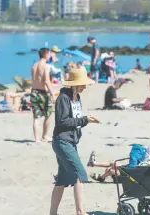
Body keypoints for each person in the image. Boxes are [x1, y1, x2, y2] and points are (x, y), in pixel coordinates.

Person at [49, 69, 100, 215]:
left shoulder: (76, 97)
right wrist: (85, 119)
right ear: (75, 84)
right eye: (83, 84)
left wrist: (87, 121)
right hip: (62, 141)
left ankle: (52, 213)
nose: (85, 86)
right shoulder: (63, 98)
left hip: (70, 142)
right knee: (80, 174)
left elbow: (74, 121)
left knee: (62, 181)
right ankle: (80, 211)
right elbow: (62, 121)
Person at [30, 48, 57, 142]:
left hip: (34, 92)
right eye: (49, 54)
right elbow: (46, 81)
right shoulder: (45, 66)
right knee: (48, 114)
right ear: (46, 55)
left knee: (36, 117)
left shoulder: (34, 65)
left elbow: (34, 79)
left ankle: (37, 139)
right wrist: (53, 94)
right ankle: (44, 136)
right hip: (43, 93)